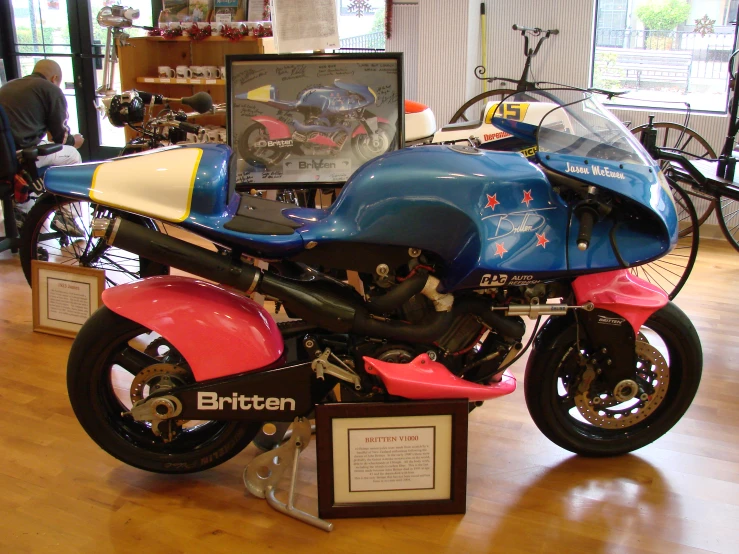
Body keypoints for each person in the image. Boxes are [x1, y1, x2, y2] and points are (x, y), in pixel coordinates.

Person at [0, 59, 85, 235]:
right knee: (72, 155)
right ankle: (67, 217)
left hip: (4, 156)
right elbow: (60, 138)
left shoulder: (9, 86)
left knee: (43, 150)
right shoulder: (50, 90)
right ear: (54, 78)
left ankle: (23, 211)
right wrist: (74, 141)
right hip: (18, 156)